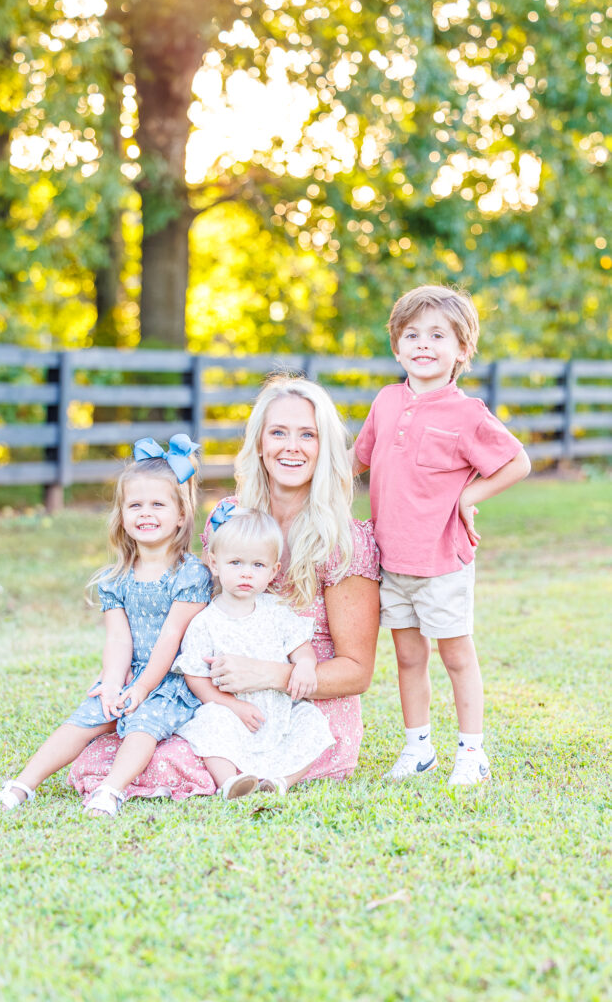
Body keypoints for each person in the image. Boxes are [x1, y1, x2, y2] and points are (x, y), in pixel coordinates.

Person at [68, 375, 381, 802]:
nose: (292, 446)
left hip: (306, 709)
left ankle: (266, 774)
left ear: (324, 447)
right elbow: (196, 616)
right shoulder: (228, 520)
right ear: (258, 444)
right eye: (279, 432)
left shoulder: (343, 541)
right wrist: (124, 674)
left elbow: (357, 671)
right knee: (108, 753)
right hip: (223, 701)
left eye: (307, 434)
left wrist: (272, 674)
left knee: (165, 761)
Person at [352, 284, 531, 786]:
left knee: (455, 654)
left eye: (437, 335)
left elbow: (517, 462)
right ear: (396, 346)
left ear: (461, 350)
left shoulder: (468, 413)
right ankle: (419, 748)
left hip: (442, 560)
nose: (423, 344)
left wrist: (467, 498)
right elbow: (357, 460)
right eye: (412, 334)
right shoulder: (386, 402)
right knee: (408, 656)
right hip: (389, 559)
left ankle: (471, 753)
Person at [0, 435, 212, 816]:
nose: (146, 513)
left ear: (180, 515)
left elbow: (172, 638)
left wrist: (141, 688)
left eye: (158, 504)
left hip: (172, 678)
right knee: (87, 716)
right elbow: (118, 638)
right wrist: (113, 684)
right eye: (135, 504)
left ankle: (111, 790)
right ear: (121, 515)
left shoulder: (190, 575)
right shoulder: (115, 578)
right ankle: (23, 784)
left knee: (143, 725)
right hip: (129, 673)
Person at [173, 507, 335, 799]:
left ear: (274, 571)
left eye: (258, 565)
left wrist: (306, 666)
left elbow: (301, 649)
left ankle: (281, 781)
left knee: (313, 722)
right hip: (232, 713)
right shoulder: (205, 622)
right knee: (208, 721)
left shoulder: (276, 613)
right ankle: (229, 782)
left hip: (278, 715)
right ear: (214, 563)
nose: (246, 572)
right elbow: (195, 678)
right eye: (235, 562)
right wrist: (232, 707)